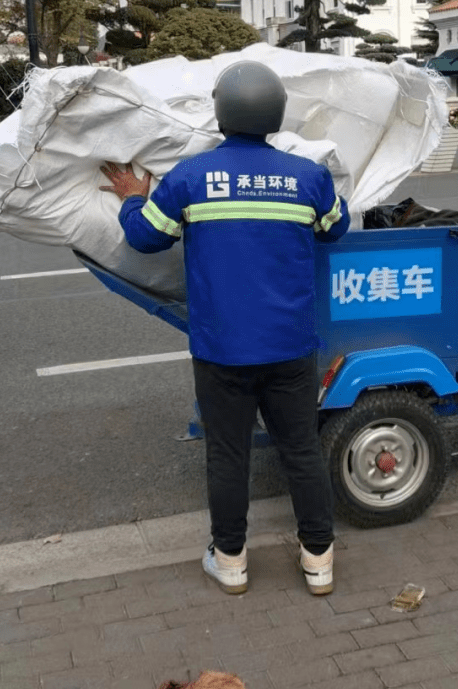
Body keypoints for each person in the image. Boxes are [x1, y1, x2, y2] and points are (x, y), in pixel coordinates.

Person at [99, 60, 350, 596]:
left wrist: (131, 198)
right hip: (290, 347)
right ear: (276, 115)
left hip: (222, 350)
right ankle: (319, 561)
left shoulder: (191, 178)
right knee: (301, 449)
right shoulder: (307, 177)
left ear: (220, 114)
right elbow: (336, 229)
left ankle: (231, 560)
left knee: (228, 454)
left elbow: (145, 239)